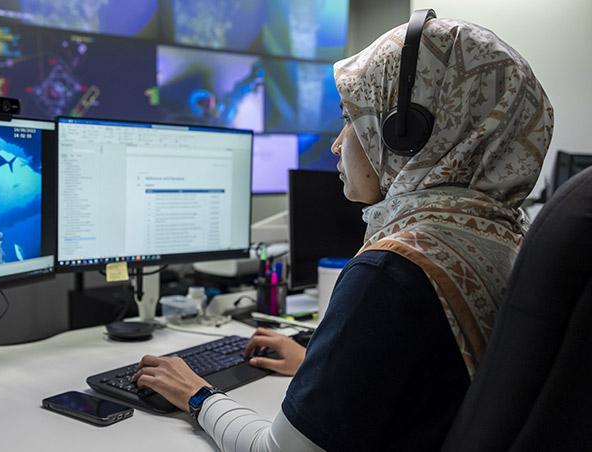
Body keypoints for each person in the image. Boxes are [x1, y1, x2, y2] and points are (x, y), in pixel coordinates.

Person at [134, 14, 554, 452]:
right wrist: (319, 368)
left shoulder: (394, 270)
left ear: (404, 132)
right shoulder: (503, 238)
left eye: (351, 117)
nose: (337, 143)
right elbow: (428, 384)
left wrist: (196, 395)